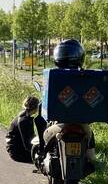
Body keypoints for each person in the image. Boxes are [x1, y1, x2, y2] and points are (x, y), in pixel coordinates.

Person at [37, 39, 96, 168]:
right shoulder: (88, 76)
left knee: (41, 120)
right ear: (80, 56)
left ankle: (42, 151)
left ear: (57, 57)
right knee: (90, 135)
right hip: (81, 124)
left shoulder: (53, 75)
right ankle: (90, 158)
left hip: (59, 125)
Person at [5, 95, 47, 163]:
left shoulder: (25, 116)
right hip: (17, 152)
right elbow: (27, 145)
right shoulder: (23, 121)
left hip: (16, 148)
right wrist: (40, 152)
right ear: (36, 107)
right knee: (44, 159)